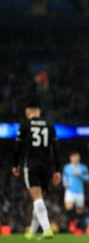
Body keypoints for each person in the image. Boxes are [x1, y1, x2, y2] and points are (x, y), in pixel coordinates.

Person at [11, 102, 61, 240]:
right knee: (39, 200)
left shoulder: (25, 125)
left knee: (37, 199)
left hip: (31, 165)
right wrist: (57, 169)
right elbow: (56, 150)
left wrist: (15, 165)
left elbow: (17, 147)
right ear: (39, 111)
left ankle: (47, 229)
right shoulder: (49, 126)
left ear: (28, 112)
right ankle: (31, 232)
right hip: (47, 167)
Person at [62, 151, 89, 235]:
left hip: (79, 192)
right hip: (70, 191)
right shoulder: (67, 167)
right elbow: (64, 176)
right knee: (68, 208)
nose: (76, 158)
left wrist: (80, 175)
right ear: (70, 158)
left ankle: (78, 228)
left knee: (79, 212)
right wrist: (64, 182)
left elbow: (88, 178)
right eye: (74, 157)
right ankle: (72, 223)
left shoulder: (83, 167)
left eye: (77, 157)